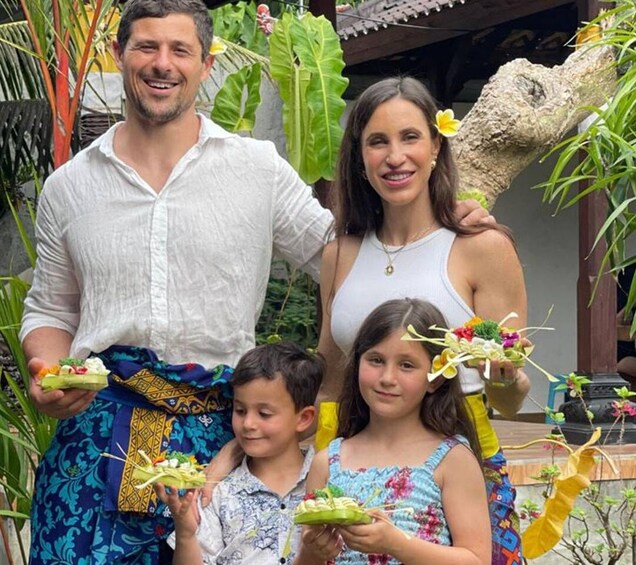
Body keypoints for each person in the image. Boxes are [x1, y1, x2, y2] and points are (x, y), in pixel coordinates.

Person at [19, 0, 491, 560]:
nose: (162, 63)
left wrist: (438, 222)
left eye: (180, 50)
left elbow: (346, 256)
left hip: (228, 437)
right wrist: (47, 371)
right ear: (119, 54)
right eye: (146, 46)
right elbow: (51, 309)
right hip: (101, 437)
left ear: (205, 63)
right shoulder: (70, 186)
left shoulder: (256, 168)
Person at [317, 76, 529, 565]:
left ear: (435, 146)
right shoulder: (338, 254)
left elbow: (511, 398)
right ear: (359, 158)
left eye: (410, 137)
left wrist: (504, 377)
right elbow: (329, 379)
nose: (395, 157)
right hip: (357, 467)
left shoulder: (484, 247)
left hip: (459, 459)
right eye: (378, 141)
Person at [296, 298, 491, 564]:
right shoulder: (327, 463)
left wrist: (397, 544)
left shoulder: (453, 460)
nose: (387, 378)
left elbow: (477, 559)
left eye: (407, 365)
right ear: (357, 364)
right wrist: (312, 551)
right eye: (376, 360)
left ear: (436, 378)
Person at [158, 341, 323, 564]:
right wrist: (186, 534)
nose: (248, 424)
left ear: (303, 418)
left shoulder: (329, 480)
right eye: (240, 410)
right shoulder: (218, 492)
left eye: (264, 414)